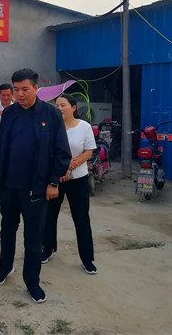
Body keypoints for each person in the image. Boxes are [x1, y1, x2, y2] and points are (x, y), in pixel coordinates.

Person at [0, 69, 71, 304]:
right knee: (7, 230)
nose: (20, 94)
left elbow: (62, 151)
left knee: (33, 238)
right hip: (9, 186)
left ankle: (32, 281)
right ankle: (5, 267)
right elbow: (3, 148)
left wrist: (53, 182)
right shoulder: (9, 113)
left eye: (25, 89)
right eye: (16, 90)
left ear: (36, 88)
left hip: (36, 188)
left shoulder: (51, 114)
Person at [42, 94, 97, 274]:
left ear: (73, 108)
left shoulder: (84, 127)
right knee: (49, 216)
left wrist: (69, 165)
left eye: (63, 105)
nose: (59, 108)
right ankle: (47, 248)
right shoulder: (50, 127)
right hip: (55, 179)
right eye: (57, 105)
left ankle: (87, 259)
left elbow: (88, 152)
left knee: (81, 218)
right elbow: (47, 152)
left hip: (78, 179)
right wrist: (60, 170)